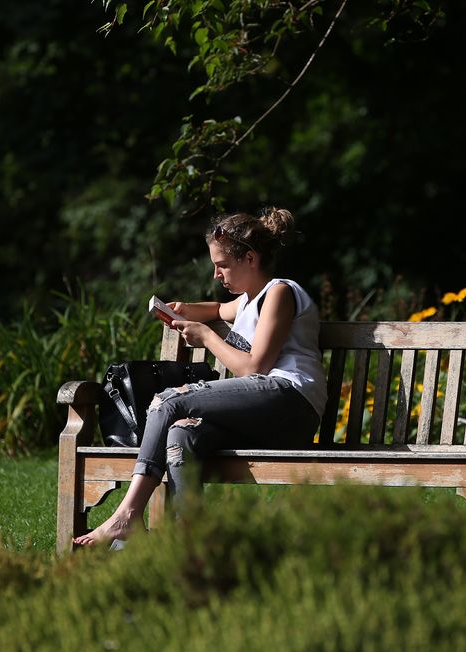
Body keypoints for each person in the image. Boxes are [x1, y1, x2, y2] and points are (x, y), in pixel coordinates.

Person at [74, 207, 326, 547]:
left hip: (290, 403)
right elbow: (219, 310)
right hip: (265, 410)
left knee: (167, 401)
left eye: (222, 265)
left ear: (250, 258)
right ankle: (188, 546)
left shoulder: (280, 292)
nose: (216, 275)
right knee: (181, 434)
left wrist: (208, 338)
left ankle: (126, 516)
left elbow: (255, 367)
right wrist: (184, 310)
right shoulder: (248, 301)